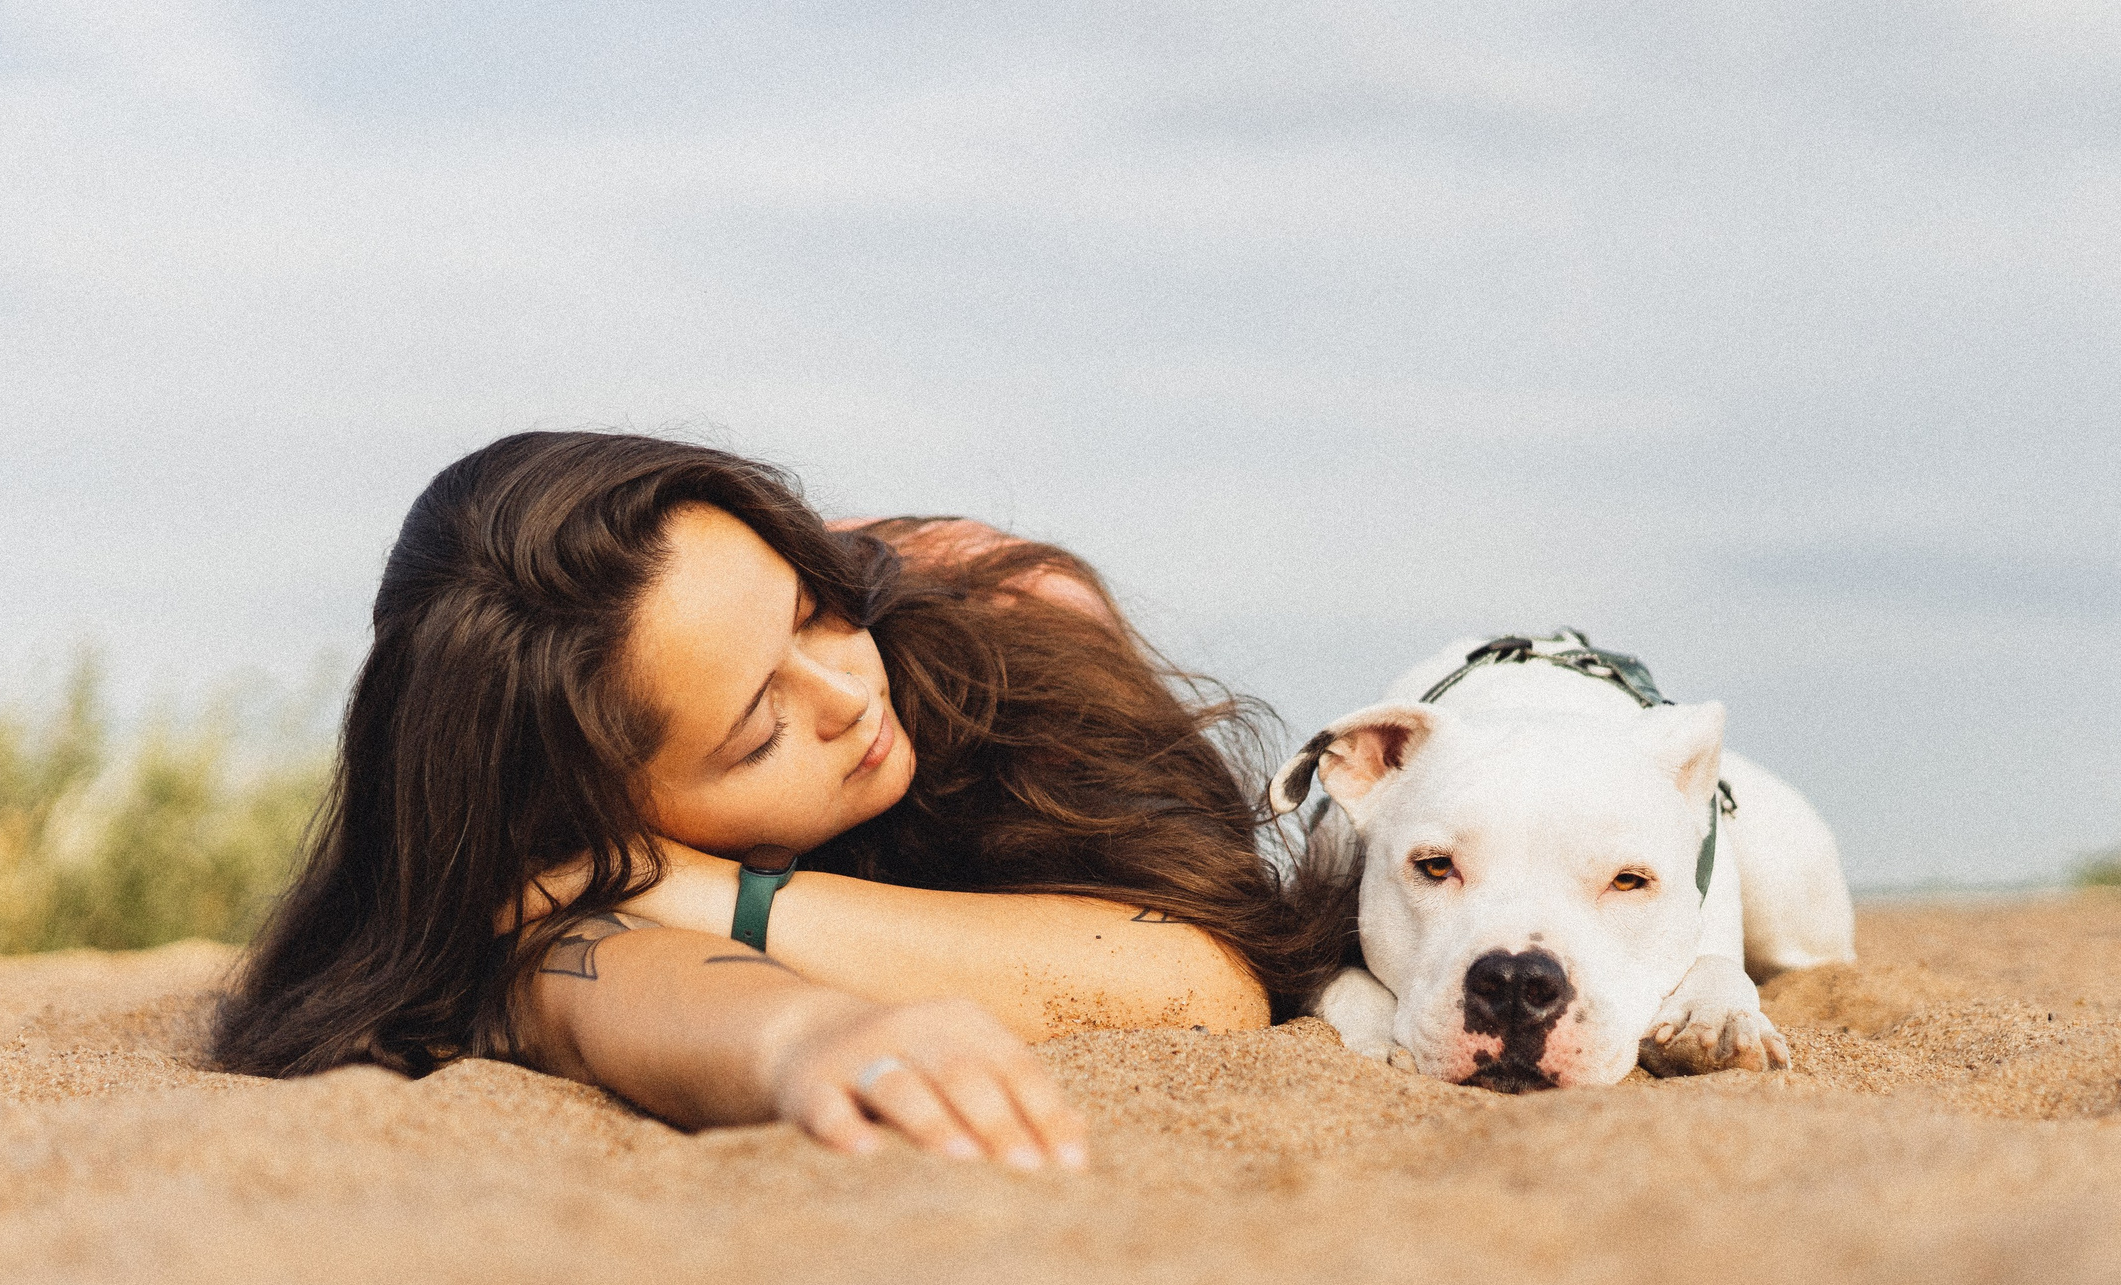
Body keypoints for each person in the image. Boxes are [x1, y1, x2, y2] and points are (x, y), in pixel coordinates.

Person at [210, 432, 1334, 1170]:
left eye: (809, 609)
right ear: (599, 809)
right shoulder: (556, 862)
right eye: (758, 731)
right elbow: (608, 987)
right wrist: (811, 1037)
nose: (847, 691)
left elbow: (1206, 985)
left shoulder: (1008, 623)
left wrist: (687, 883)